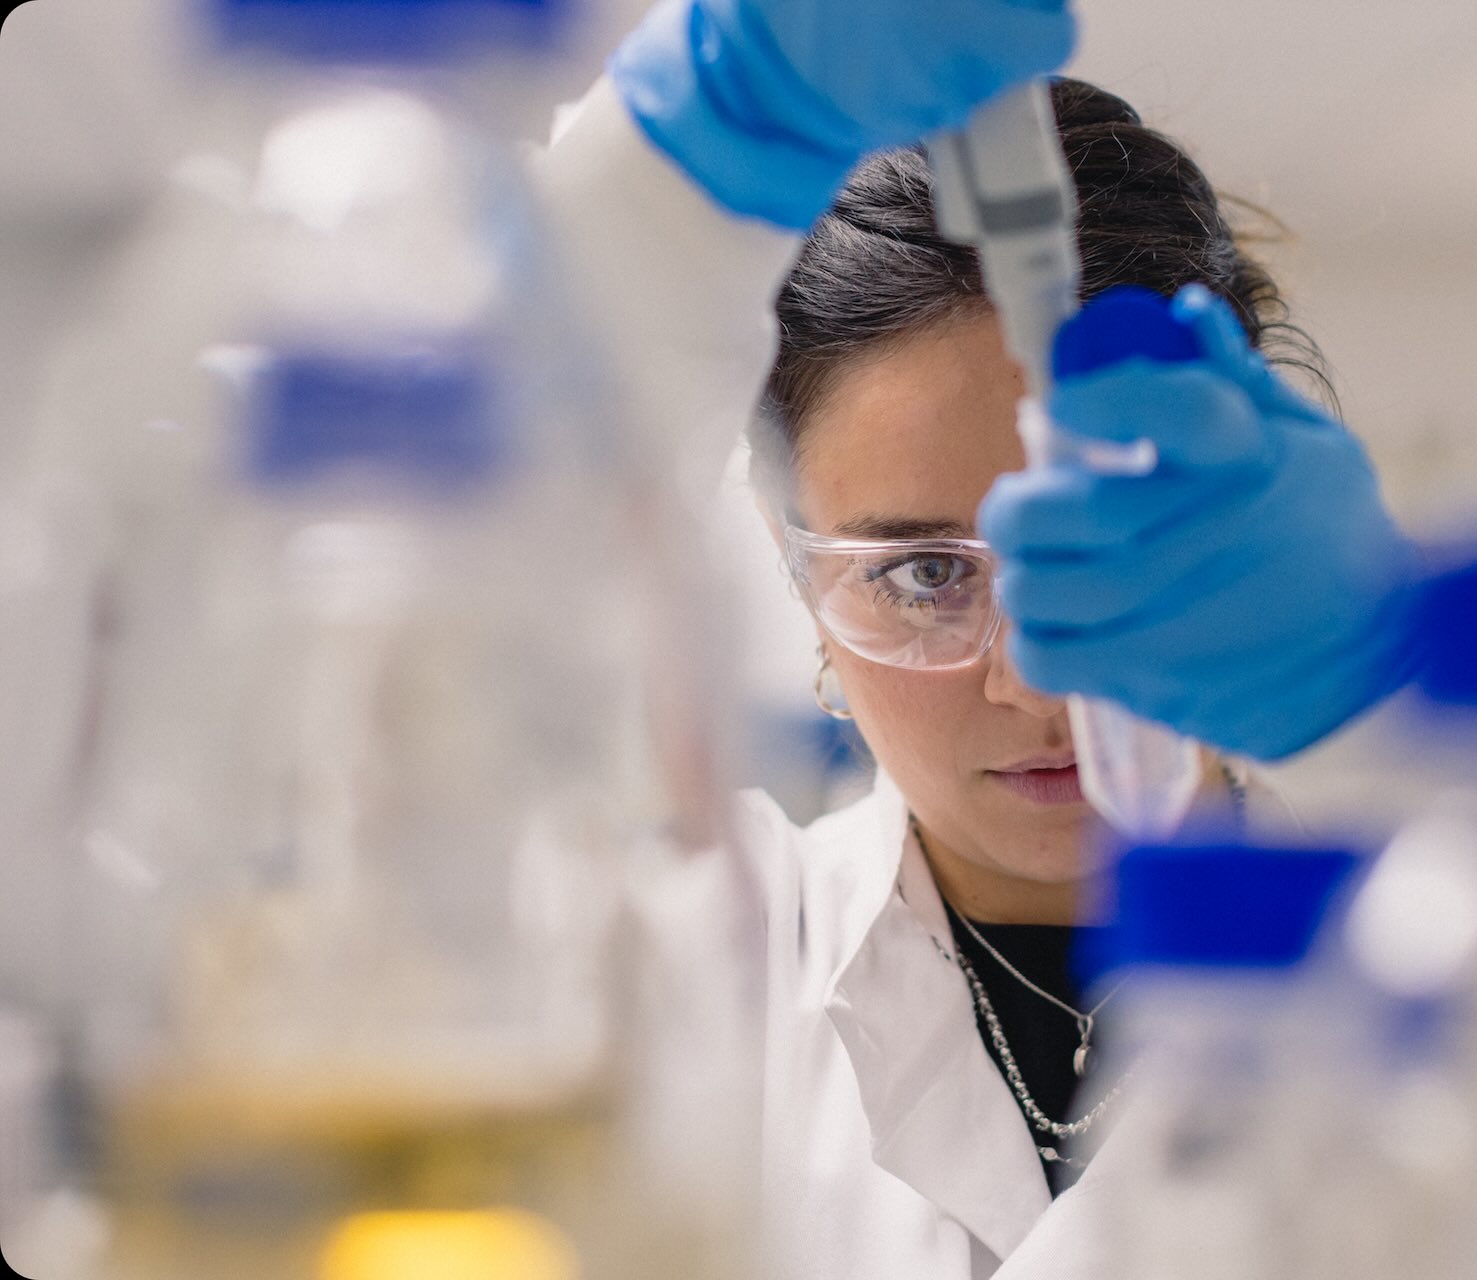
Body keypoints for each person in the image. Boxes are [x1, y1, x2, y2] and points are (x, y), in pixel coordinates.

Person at [536, 1, 1417, 1276]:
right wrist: (672, 173)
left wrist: (1380, 714)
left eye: (1120, 548)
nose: (1036, 676)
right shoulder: (704, 961)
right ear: (793, 561)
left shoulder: (1454, 960)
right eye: (925, 573)